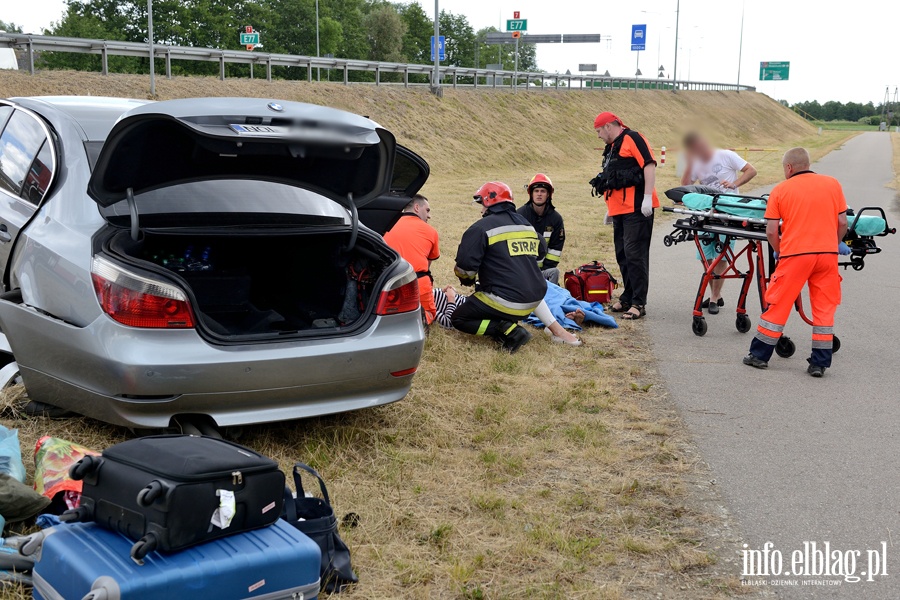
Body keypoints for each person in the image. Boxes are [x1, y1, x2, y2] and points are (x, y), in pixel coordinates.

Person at [742, 147, 850, 377]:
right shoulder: (832, 184)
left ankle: (759, 356)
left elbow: (771, 231)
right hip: (826, 256)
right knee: (824, 308)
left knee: (778, 305)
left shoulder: (781, 190)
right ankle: (819, 363)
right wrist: (833, 244)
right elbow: (842, 222)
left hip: (795, 256)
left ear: (789, 167)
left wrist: (780, 251)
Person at [451, 182, 549, 353]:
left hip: (508, 300)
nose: (481, 210)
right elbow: (541, 254)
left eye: (481, 204)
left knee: (460, 318)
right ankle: (506, 322)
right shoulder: (526, 225)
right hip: (535, 299)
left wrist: (467, 281)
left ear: (489, 201)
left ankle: (510, 331)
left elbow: (465, 268)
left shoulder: (481, 228)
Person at [681, 133, 759, 314]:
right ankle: (715, 293)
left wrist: (734, 183)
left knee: (722, 254)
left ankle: (715, 297)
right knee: (705, 257)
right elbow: (685, 186)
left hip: (728, 212)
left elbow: (751, 170)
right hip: (706, 212)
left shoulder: (726, 155)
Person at [591, 112, 659, 320]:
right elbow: (613, 179)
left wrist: (647, 197)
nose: (598, 136)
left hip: (638, 209)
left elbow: (649, 164)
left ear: (609, 127)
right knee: (622, 254)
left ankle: (639, 302)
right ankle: (628, 296)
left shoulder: (633, 138)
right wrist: (610, 208)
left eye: (599, 131)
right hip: (620, 210)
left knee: (635, 255)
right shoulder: (612, 148)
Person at [434, 285, 581, 345]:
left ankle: (557, 323)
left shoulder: (424, 292)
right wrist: (451, 297)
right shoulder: (422, 306)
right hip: (480, 311)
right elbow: (448, 322)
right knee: (529, 294)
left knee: (534, 292)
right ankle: (558, 327)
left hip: (479, 303)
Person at [383, 194, 440, 326]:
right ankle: (422, 318)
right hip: (417, 283)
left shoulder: (385, 226)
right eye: (427, 210)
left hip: (388, 284)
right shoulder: (431, 231)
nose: (429, 215)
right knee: (430, 314)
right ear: (416, 207)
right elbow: (428, 263)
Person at [517, 173, 565, 285]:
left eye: (543, 191)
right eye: (536, 191)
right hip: (521, 270)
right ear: (531, 194)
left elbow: (555, 250)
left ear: (548, 194)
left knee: (554, 273)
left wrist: (544, 271)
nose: (539, 194)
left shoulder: (556, 219)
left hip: (543, 271)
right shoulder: (519, 216)